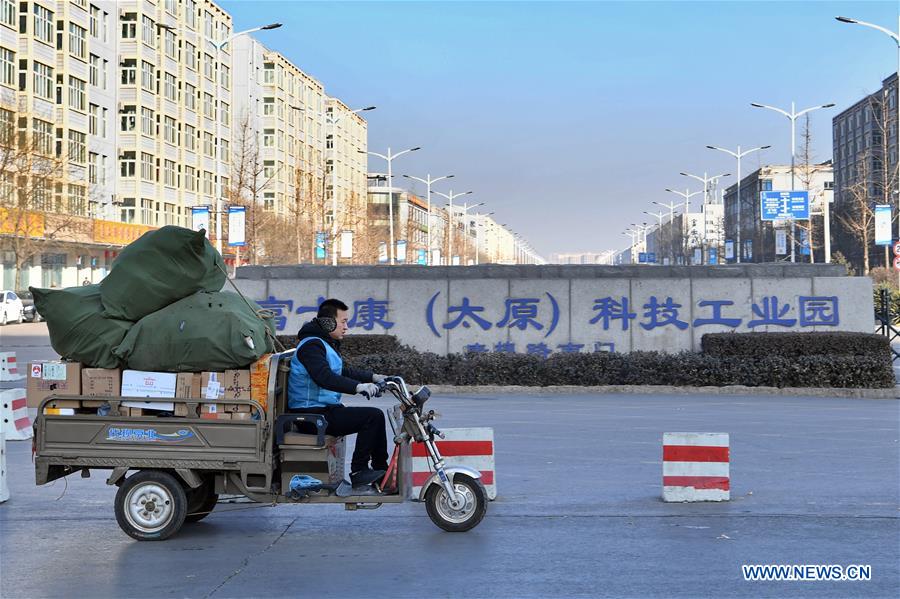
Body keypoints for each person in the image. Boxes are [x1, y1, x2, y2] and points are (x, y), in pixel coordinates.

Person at [287, 298, 390, 487]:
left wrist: (374, 377)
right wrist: (358, 387)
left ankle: (381, 471)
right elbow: (324, 377)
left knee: (375, 417)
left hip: (323, 411)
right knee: (372, 417)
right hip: (310, 416)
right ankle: (359, 471)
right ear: (328, 322)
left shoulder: (323, 344)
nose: (346, 327)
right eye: (343, 322)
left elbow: (342, 371)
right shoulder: (311, 346)